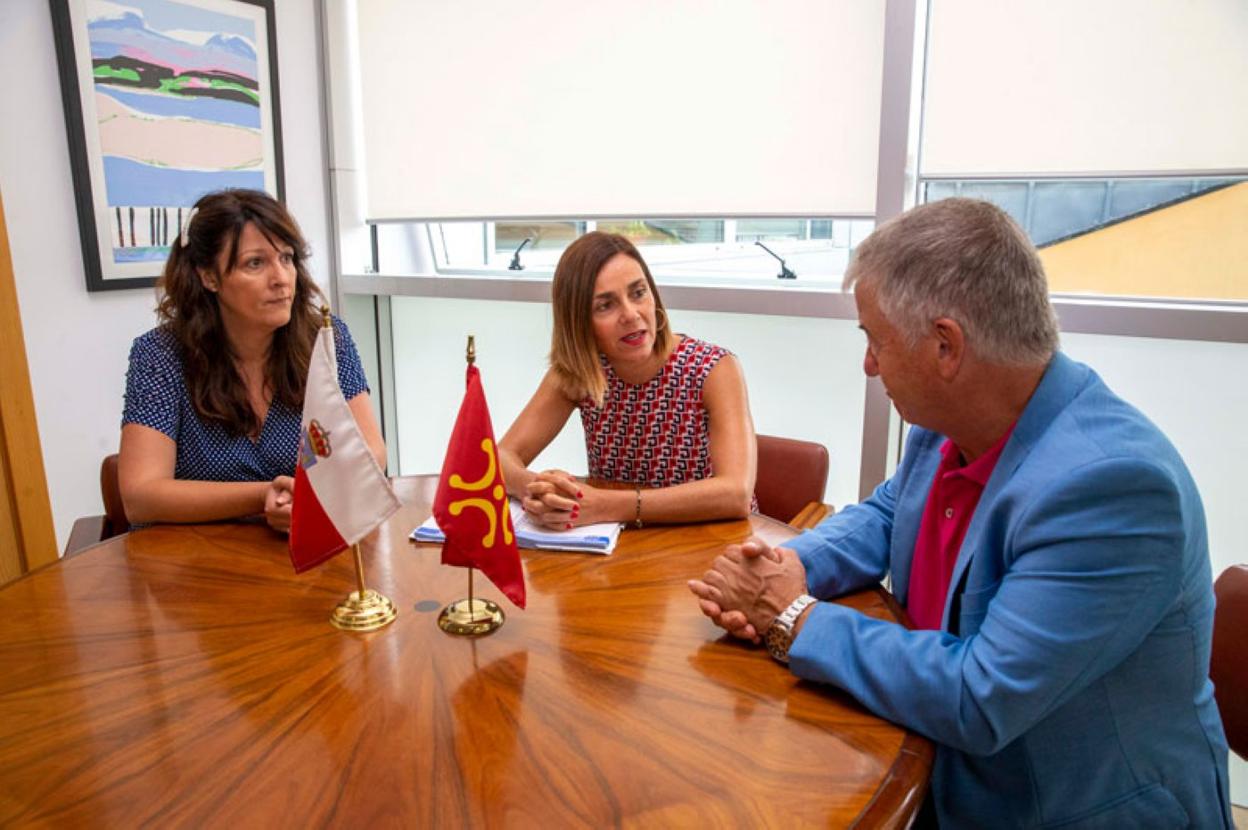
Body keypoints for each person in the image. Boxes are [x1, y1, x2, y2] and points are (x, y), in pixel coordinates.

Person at [688, 199, 1232, 828]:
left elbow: (981, 696)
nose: (868, 364)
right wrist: (784, 564)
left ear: (946, 345)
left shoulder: (1112, 488)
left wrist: (791, 616)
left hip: (1057, 808)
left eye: (875, 340)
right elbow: (887, 517)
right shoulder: (947, 427)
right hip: (936, 766)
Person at [119, 189, 385, 533]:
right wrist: (266, 495)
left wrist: (306, 498)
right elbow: (140, 496)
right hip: (195, 561)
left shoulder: (328, 339)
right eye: (255, 263)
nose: (280, 279)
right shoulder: (160, 355)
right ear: (208, 277)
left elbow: (371, 456)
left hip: (305, 548)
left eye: (286, 258)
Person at [498, 231, 755, 530]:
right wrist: (544, 489)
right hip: (622, 549)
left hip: (711, 544)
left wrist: (605, 506)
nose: (631, 315)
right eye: (605, 305)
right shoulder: (579, 372)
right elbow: (500, 458)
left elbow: (736, 493)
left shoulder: (715, 368)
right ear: (579, 323)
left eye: (638, 293)